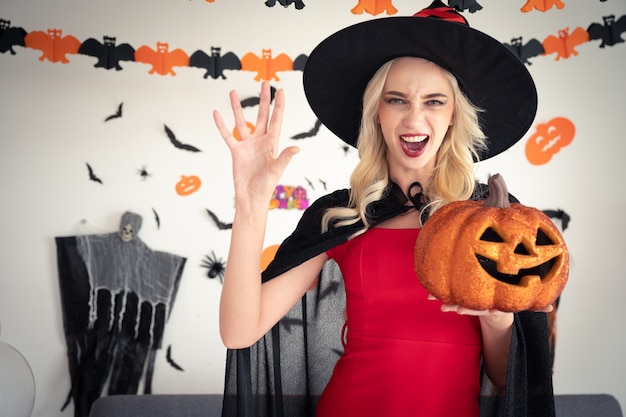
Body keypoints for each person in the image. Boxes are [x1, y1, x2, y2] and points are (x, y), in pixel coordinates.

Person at [212, 1, 555, 416]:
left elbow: (506, 378)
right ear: (376, 111)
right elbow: (238, 332)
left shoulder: (491, 220)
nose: (414, 118)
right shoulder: (342, 214)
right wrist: (250, 204)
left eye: (433, 102)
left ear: (453, 116)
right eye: (397, 100)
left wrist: (498, 320)